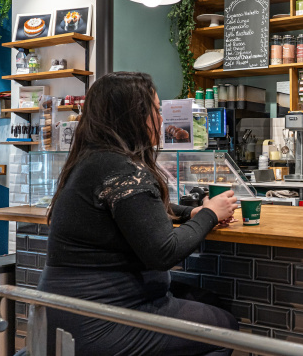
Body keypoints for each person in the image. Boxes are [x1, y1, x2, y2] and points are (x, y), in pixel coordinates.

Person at [38, 72, 239, 356]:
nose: (162, 119)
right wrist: (209, 214)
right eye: (157, 110)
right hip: (101, 320)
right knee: (226, 328)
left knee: (208, 301)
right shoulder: (123, 168)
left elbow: (138, 209)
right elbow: (164, 252)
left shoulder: (92, 160)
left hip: (68, 311)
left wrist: (190, 211)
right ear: (133, 116)